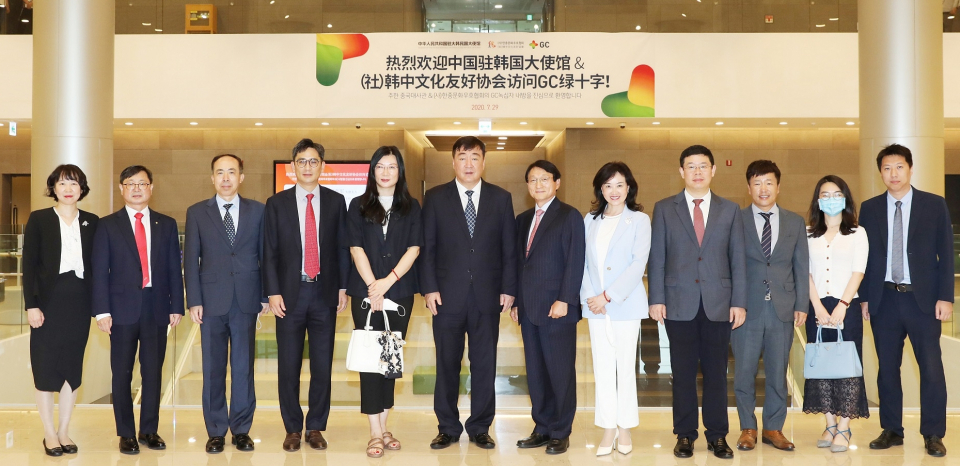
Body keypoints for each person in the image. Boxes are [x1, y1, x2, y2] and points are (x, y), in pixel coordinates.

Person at [648, 145, 746, 460]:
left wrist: (739, 302)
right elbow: (657, 257)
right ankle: (685, 435)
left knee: (717, 374)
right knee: (683, 373)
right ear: (682, 171)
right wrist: (656, 298)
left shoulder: (730, 210)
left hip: (719, 303)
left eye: (703, 166)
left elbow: (738, 259)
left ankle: (717, 436)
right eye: (691, 166)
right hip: (678, 303)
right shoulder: (665, 208)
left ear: (713, 170)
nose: (697, 172)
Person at [420, 136, 518, 450]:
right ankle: (447, 427)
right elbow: (427, 248)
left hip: (487, 297)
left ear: (484, 162)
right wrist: (429, 287)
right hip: (446, 298)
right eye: (462, 157)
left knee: (484, 365)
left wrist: (509, 288)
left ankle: (480, 427)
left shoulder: (501, 198)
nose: (468, 164)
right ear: (453, 162)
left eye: (475, 157)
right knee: (447, 365)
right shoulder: (435, 197)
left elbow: (509, 249)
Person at [859, 144, 952, 457]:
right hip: (884, 299)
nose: (893, 174)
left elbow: (946, 254)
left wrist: (946, 297)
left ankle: (933, 433)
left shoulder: (934, 204)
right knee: (887, 369)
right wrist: (864, 298)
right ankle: (891, 430)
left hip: (922, 301)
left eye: (899, 167)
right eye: (887, 168)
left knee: (931, 369)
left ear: (910, 168)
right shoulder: (870, 208)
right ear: (880, 172)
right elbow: (865, 257)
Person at [263, 138, 349, 452]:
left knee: (322, 367)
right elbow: (269, 251)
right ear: (293, 167)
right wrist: (272, 292)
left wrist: (342, 287)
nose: (308, 167)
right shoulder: (277, 203)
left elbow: (342, 248)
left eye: (313, 161)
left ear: (322, 166)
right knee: (288, 367)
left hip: (324, 293)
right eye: (302, 161)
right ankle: (292, 428)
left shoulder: (336, 201)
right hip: (289, 296)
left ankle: (315, 427)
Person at [91, 165, 184, 455]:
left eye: (142, 183)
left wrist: (177, 305)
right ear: (121, 188)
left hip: (157, 307)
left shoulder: (166, 224)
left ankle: (149, 430)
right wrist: (102, 311)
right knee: (121, 373)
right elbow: (99, 271)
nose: (136, 188)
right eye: (130, 183)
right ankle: (126, 433)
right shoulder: (107, 225)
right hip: (120, 310)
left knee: (153, 372)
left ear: (151, 188)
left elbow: (174, 267)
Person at [183, 154, 265, 454]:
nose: (226, 178)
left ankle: (241, 429)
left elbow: (266, 256)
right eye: (220, 172)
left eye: (232, 172)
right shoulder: (197, 212)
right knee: (213, 369)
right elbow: (190, 260)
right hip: (210, 302)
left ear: (241, 177)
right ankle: (216, 430)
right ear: (212, 178)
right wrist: (194, 300)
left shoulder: (259, 210)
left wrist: (265, 295)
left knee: (243, 368)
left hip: (246, 299)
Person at [345, 146, 422, 458]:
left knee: (390, 361)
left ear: (400, 171)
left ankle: (385, 426)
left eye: (392, 166)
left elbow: (414, 248)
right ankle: (375, 432)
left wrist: (388, 283)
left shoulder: (412, 206)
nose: (386, 172)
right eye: (380, 166)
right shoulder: (358, 205)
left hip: (399, 293)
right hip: (365, 295)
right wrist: (373, 287)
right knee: (370, 362)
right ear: (372, 170)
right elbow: (356, 248)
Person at [22, 165, 99, 457]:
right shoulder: (39, 219)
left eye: (74, 183)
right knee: (44, 369)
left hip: (79, 303)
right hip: (47, 304)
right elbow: (29, 265)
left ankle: (64, 430)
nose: (68, 189)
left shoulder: (92, 221)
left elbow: (99, 266)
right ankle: (49, 433)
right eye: (63, 183)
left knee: (71, 368)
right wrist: (31, 305)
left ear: (82, 189)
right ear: (53, 187)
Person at [732, 160, 808, 452]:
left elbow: (801, 266)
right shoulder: (735, 219)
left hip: (782, 308)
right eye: (757, 183)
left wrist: (801, 303)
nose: (763, 189)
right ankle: (748, 428)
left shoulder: (794, 222)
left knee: (778, 372)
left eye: (768, 183)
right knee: (744, 372)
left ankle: (773, 428)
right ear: (748, 187)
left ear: (778, 187)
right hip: (745, 309)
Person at [510, 160, 585, 455]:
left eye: (544, 179)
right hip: (529, 309)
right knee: (537, 372)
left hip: (558, 308)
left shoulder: (569, 216)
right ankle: (542, 427)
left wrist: (565, 299)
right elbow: (520, 264)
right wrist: (517, 301)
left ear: (557, 183)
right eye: (533, 180)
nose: (538, 184)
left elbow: (575, 260)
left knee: (560, 371)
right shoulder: (522, 219)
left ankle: (560, 430)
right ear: (527, 186)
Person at [580, 162, 650, 456]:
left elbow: (638, 264)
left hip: (625, 305)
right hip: (595, 307)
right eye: (608, 185)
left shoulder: (640, 220)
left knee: (625, 369)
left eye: (619, 185)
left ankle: (625, 427)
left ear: (629, 187)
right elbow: (582, 262)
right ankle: (608, 427)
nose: (614, 191)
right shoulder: (589, 220)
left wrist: (607, 296)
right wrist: (591, 298)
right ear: (601, 189)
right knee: (603, 369)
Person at [803, 175, 869, 453]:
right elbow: (804, 272)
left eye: (836, 194)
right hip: (816, 307)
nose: (831, 199)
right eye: (825, 195)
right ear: (818, 200)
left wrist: (842, 305)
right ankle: (829, 424)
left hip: (847, 307)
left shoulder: (857, 233)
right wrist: (818, 307)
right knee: (821, 366)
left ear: (845, 198)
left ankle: (844, 426)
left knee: (847, 367)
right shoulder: (808, 233)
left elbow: (858, 271)